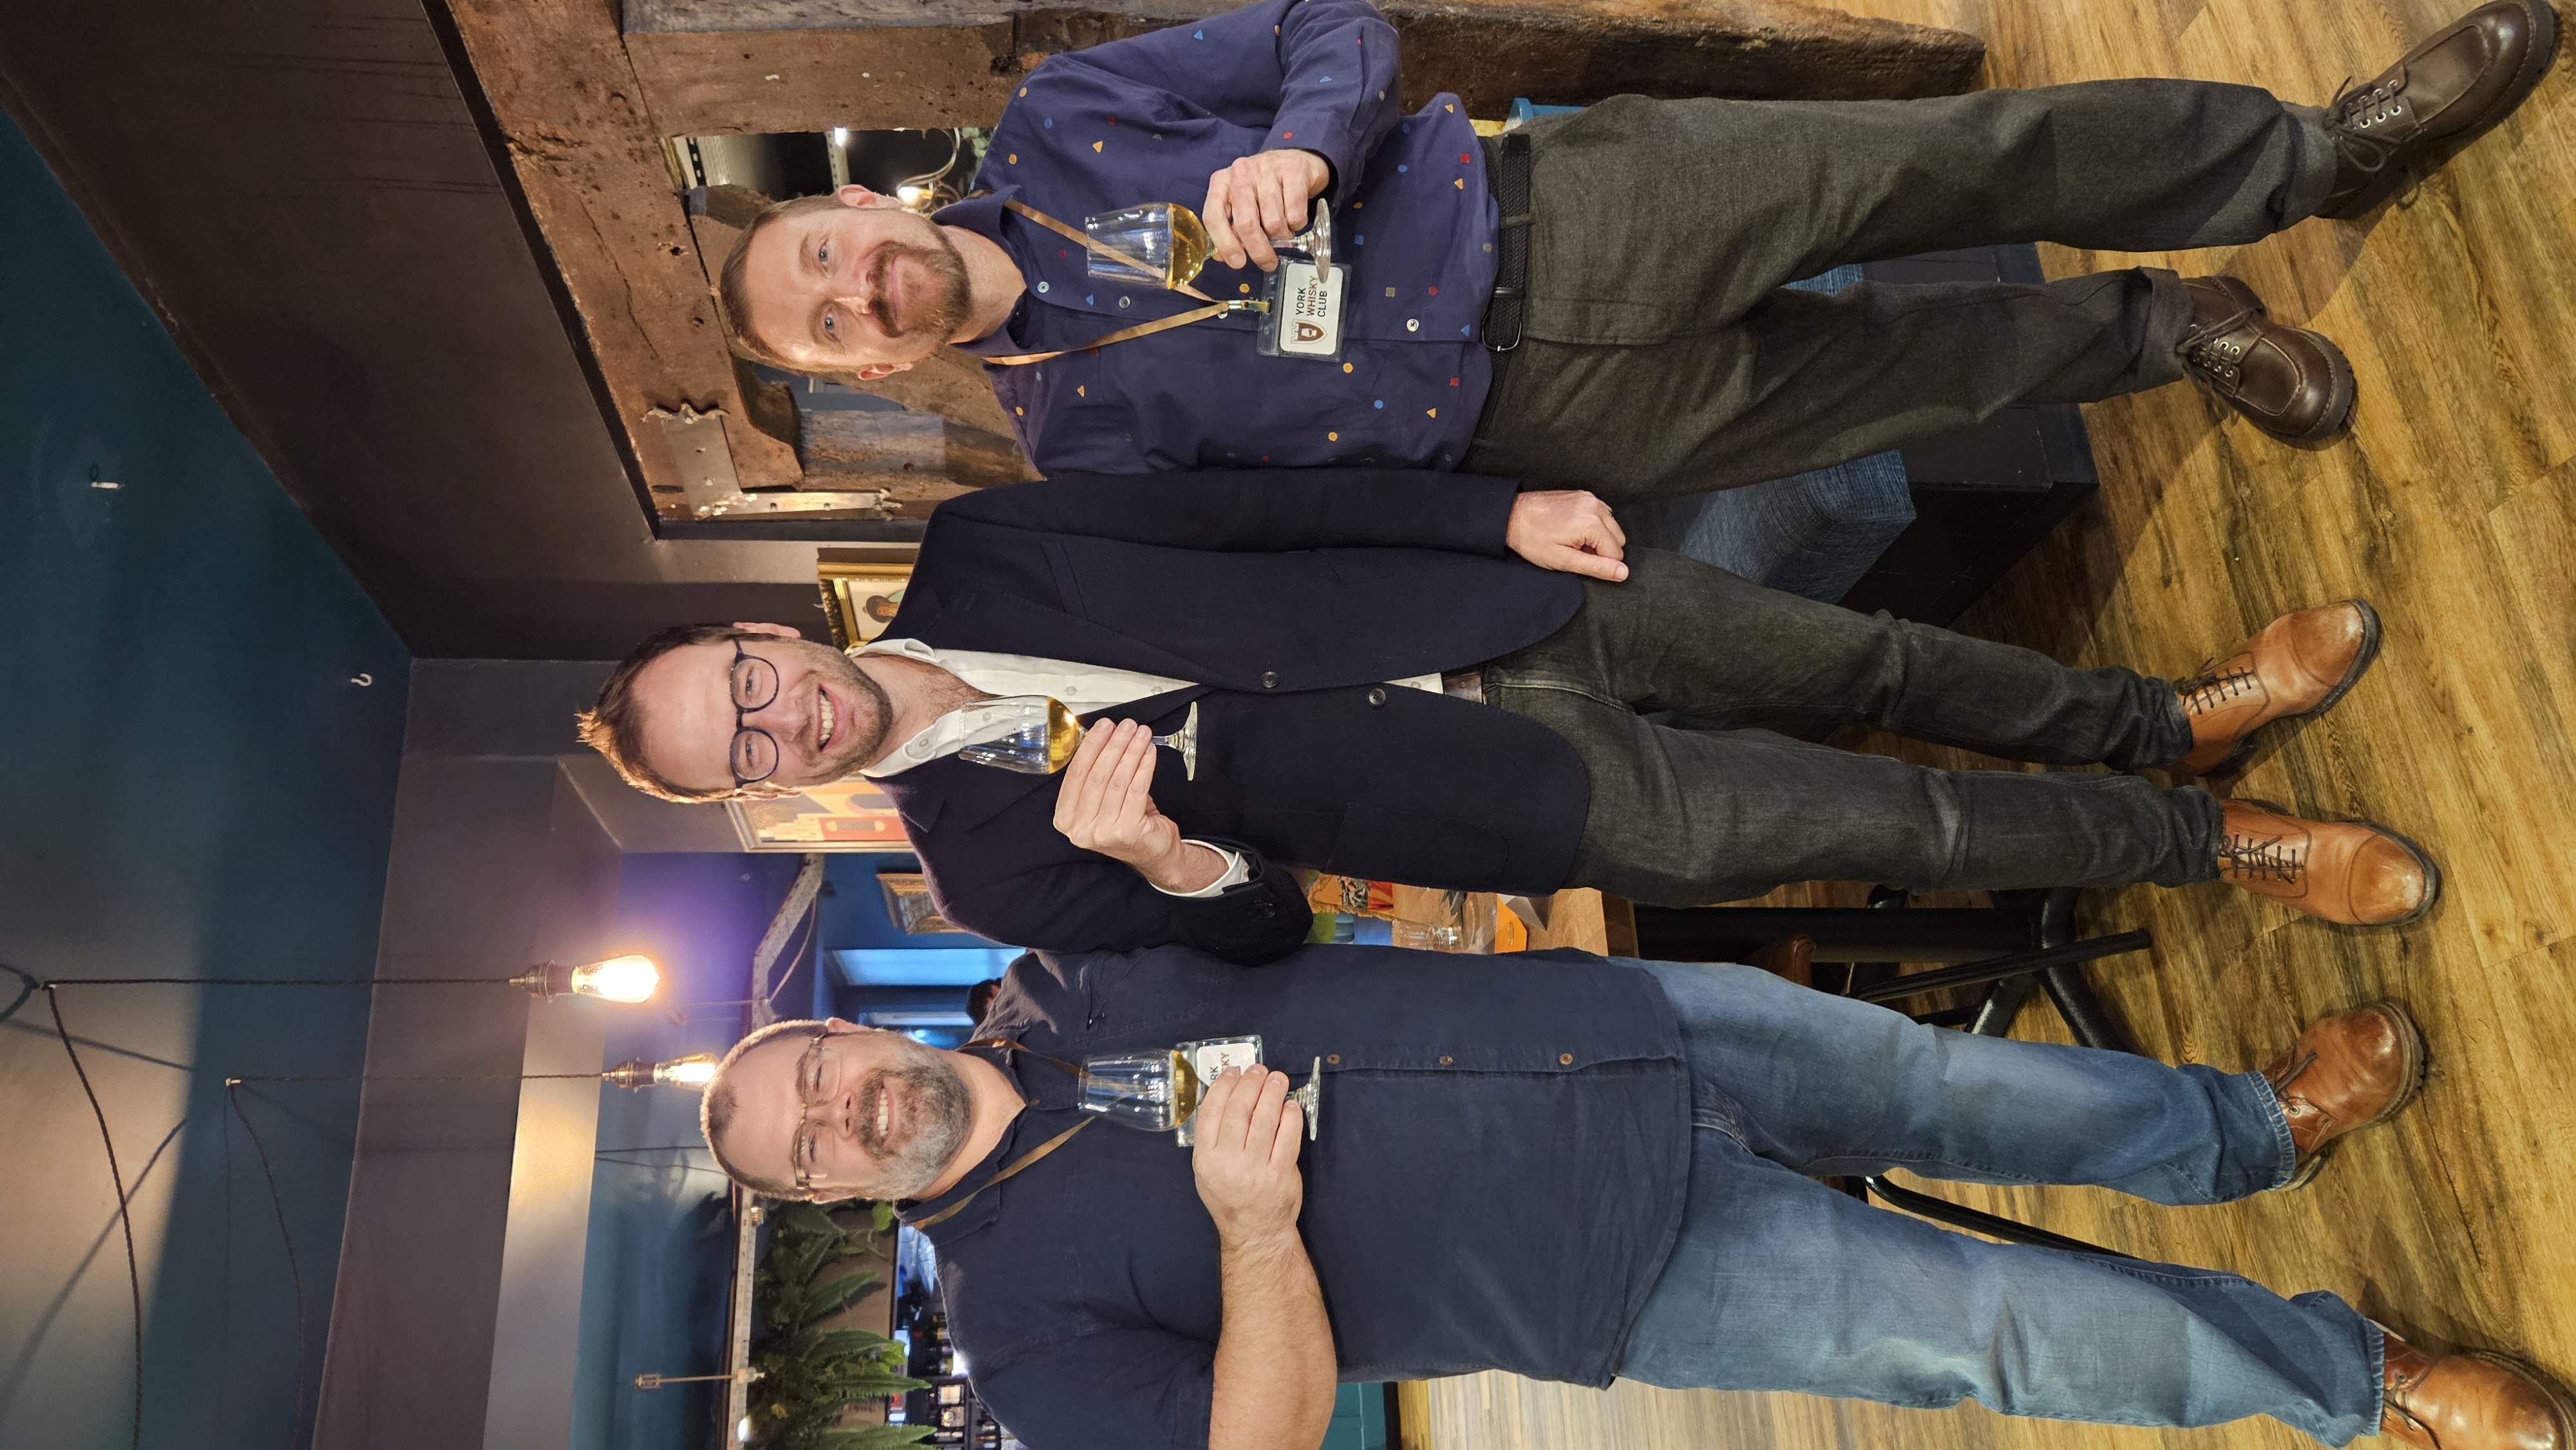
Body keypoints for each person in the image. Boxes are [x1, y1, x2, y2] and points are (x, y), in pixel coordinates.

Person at [692, 941, 2573, 1450]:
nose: (841, 1112)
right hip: (1634, 1275)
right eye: (807, 1147)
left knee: (1964, 1086)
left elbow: (1256, 911)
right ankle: (2356, 1373)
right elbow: (1248, 1442)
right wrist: (1256, 1231)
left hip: (1618, 1027)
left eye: (812, 1069)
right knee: (2009, 1335)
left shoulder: (1058, 975)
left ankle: (2251, 1125)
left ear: (842, 1022)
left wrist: (1171, 845)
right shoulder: (1019, 1333)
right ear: (833, 1205)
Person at [576, 469, 2439, 963]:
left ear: (761, 625)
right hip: (1507, 803)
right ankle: (2226, 844)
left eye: (742, 678)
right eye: (737, 748)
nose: (778, 717)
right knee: (1892, 827)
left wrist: (1494, 513)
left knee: (1875, 664)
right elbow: (1260, 934)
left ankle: (2168, 715)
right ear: (754, 794)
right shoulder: (987, 868)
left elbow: (1258, 503)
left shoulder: (987, 543)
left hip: (1508, 597)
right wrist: (1170, 849)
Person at [714, 0, 2555, 491]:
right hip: (1528, 431)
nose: (856, 293)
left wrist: (1292, 144)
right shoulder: (1066, 449)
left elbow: (1324, 20)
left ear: (863, 204)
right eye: (829, 333)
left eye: (826, 252)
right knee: (1898, 387)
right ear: (867, 379)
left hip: (1547, 208)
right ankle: (2175, 335)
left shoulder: (1059, 123)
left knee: (1952, 165)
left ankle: (2319, 152)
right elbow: (1310, 529)